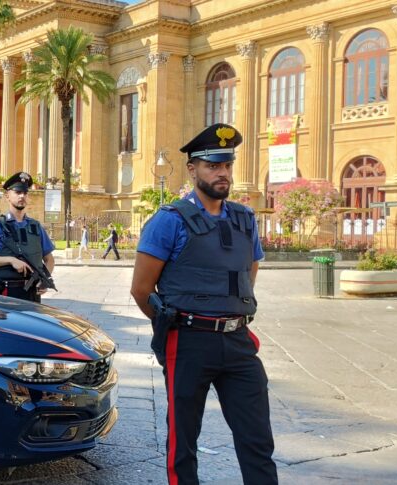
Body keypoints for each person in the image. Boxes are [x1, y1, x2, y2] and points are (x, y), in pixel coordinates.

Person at [130, 123, 277, 485]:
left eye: (227, 165)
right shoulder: (169, 221)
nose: (222, 173)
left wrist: (228, 312)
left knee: (257, 439)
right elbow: (141, 289)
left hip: (238, 342)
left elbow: (249, 271)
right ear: (192, 169)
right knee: (184, 442)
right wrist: (178, 322)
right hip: (189, 341)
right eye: (213, 165)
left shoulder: (244, 218)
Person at [0, 171, 55, 302]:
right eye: (17, 192)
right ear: (7, 196)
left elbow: (49, 259)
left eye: (25, 193)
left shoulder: (36, 226)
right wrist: (10, 260)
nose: (22, 196)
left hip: (32, 293)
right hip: (7, 293)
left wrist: (45, 279)